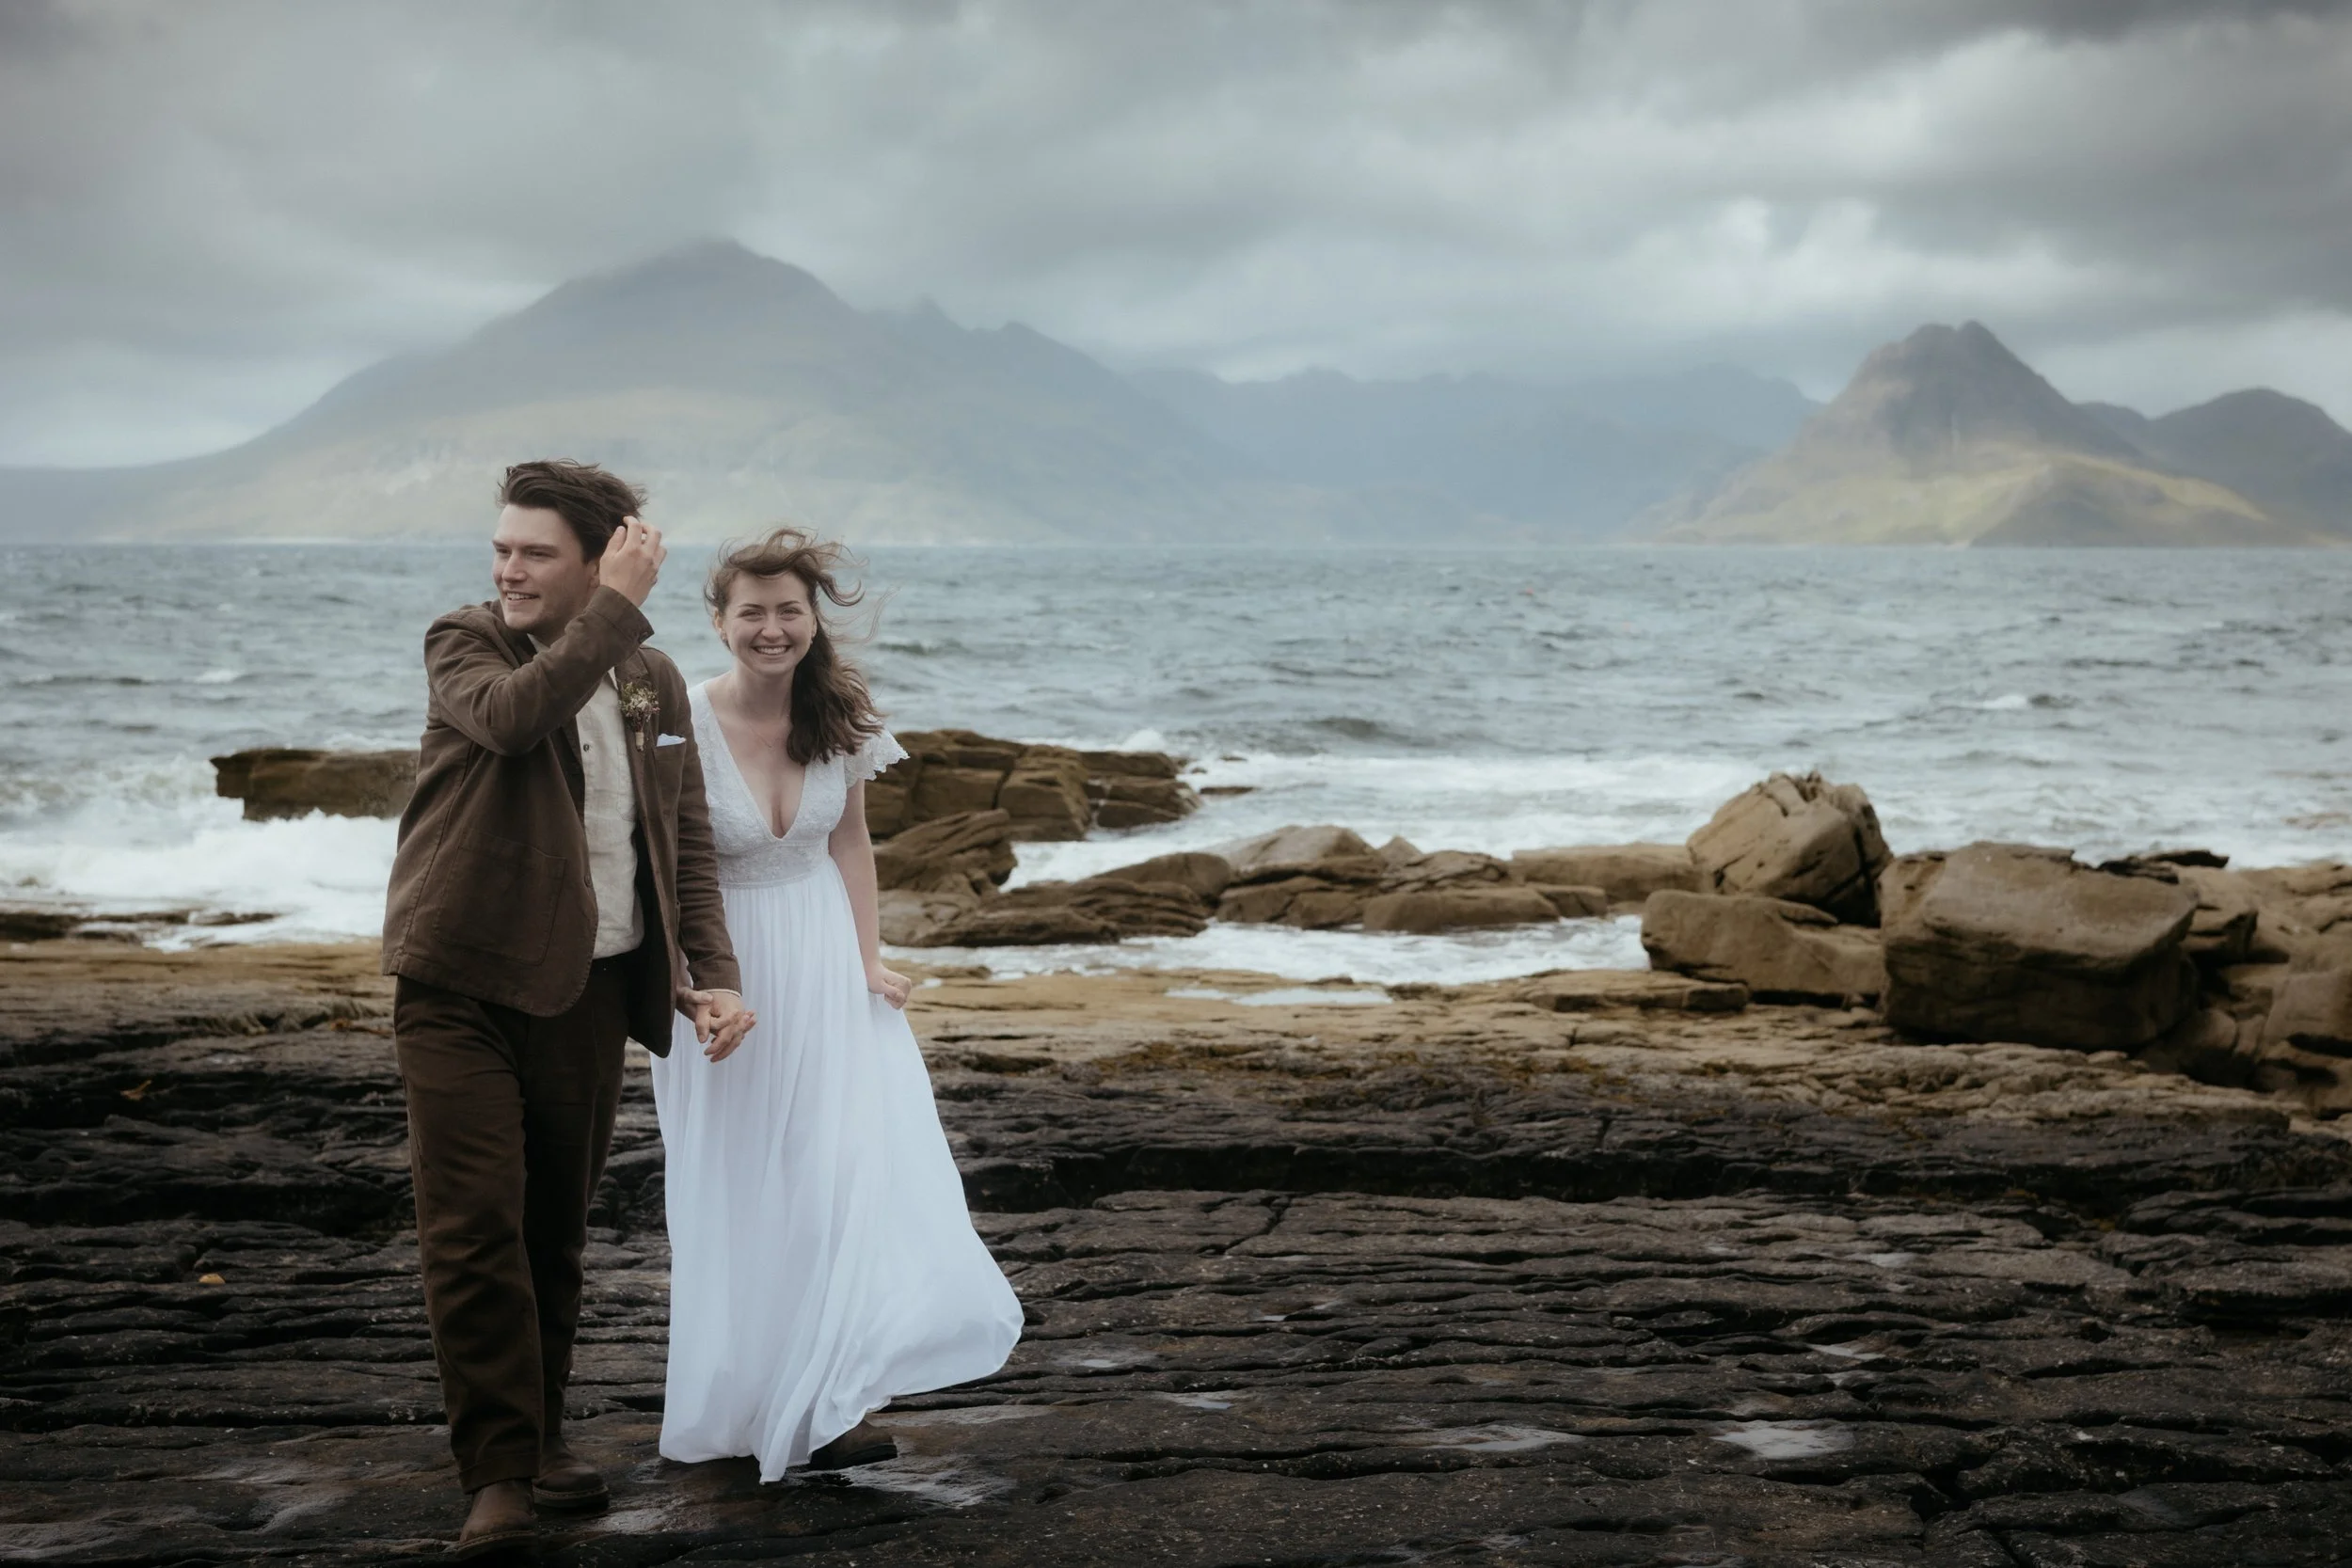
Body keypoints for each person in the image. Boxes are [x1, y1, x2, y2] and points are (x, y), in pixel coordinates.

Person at [381, 460, 753, 1560]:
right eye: (502, 546)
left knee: (552, 1228)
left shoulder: (649, 680)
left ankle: (541, 1440)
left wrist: (711, 967)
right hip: (457, 979)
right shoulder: (470, 641)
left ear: (593, 561)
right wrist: (613, 611)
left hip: (593, 988)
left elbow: (678, 828)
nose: (507, 567)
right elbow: (508, 722)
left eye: (535, 551)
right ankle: (495, 1471)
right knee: (472, 1224)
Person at [649, 528, 1021, 1481]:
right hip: (720, 979)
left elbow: (850, 843)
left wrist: (869, 959)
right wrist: (684, 983)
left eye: (789, 612)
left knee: (836, 1178)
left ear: (813, 621)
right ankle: (739, 1397)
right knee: (732, 1187)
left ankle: (826, 1394)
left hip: (821, 963)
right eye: (752, 612)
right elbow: (654, 857)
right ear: (719, 620)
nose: (771, 629)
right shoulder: (675, 720)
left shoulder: (839, 717)